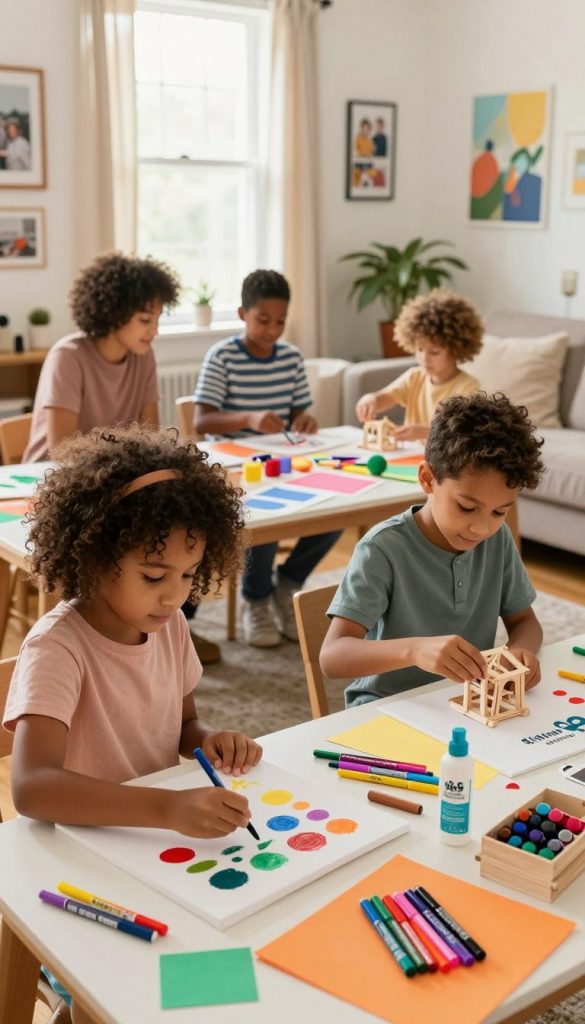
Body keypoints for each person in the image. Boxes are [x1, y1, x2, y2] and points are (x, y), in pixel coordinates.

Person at [3, 424, 262, 1024]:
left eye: (188, 577)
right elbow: (33, 787)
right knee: (120, 991)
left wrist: (208, 742)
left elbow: (182, 725)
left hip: (147, 849)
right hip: (74, 859)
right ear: (95, 555)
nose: (175, 596)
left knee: (218, 958)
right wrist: (167, 810)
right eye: (154, 575)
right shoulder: (57, 649)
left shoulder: (167, 625)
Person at [321, 392, 545, 707]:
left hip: (465, 700)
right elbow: (332, 657)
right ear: (427, 479)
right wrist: (414, 650)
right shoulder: (383, 549)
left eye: (499, 512)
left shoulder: (498, 540)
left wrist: (520, 651)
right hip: (385, 706)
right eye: (466, 507)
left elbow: (525, 622)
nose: (481, 528)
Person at [194, 269, 341, 648]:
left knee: (339, 507)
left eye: (280, 321)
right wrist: (248, 418)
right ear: (243, 314)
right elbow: (202, 419)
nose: (273, 330)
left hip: (283, 462)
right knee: (263, 521)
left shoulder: (290, 357)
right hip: (234, 467)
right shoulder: (222, 356)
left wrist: (304, 420)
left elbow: (298, 416)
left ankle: (288, 584)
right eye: (263, 320)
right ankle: (255, 599)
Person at [355, 289, 483, 442]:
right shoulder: (415, 377)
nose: (424, 358)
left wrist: (425, 433)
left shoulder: (467, 387)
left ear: (456, 350)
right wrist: (371, 400)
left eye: (434, 352)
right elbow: (386, 396)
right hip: (410, 456)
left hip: (442, 462)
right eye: (419, 349)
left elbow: (464, 435)